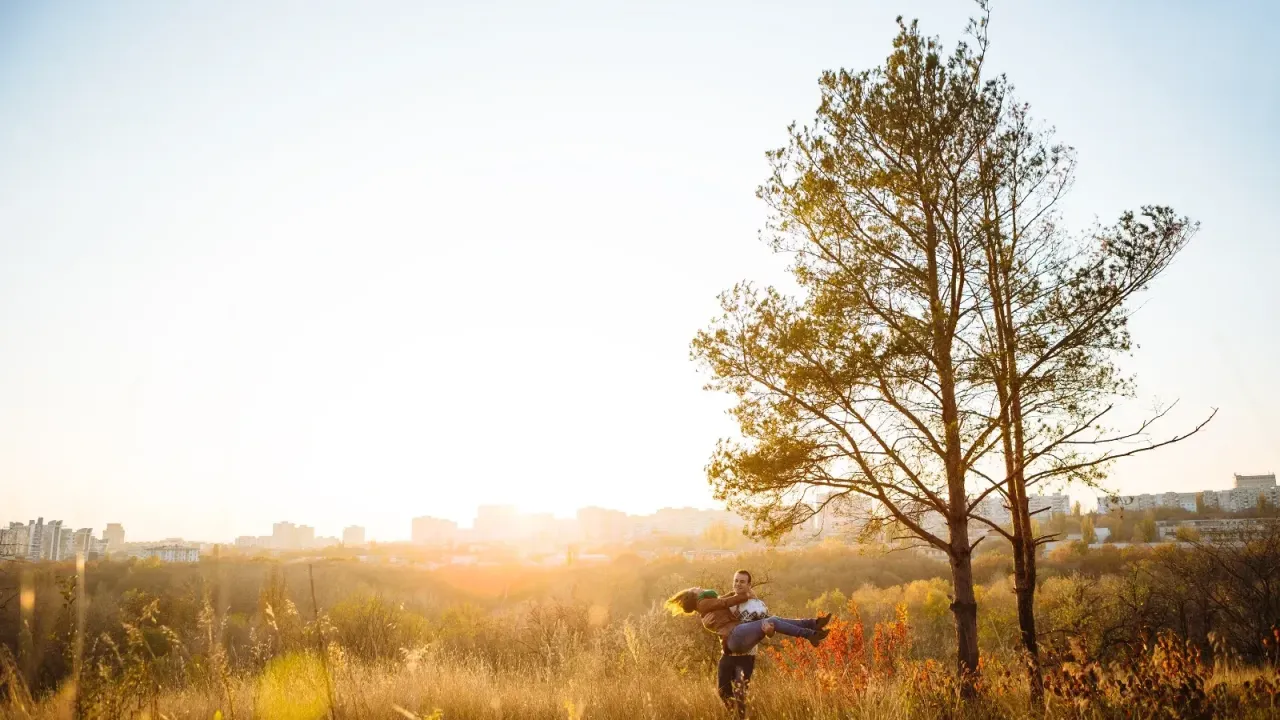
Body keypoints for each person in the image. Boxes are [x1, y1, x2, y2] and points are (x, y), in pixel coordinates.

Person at [666, 574, 832, 657]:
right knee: (773, 620)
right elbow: (724, 603)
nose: (699, 587)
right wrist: (745, 596)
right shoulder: (703, 604)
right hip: (734, 637)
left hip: (738, 639)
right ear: (694, 597)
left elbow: (722, 600)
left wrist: (738, 592)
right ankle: (811, 634)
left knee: (774, 620)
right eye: (695, 588)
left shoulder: (707, 605)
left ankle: (814, 625)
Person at [718, 570, 766, 718]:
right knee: (722, 692)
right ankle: (734, 716)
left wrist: (768, 631)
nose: (738, 584)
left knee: (741, 695)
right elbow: (716, 602)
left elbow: (765, 628)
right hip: (726, 656)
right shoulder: (728, 603)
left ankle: (740, 717)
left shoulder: (755, 605)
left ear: (749, 585)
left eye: (742, 581)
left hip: (745, 657)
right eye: (736, 581)